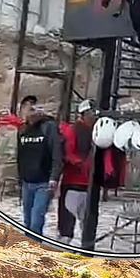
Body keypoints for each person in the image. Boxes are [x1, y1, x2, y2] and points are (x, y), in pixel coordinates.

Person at [16, 96, 62, 236]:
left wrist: (54, 177)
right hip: (27, 182)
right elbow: (20, 155)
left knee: (36, 220)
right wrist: (20, 176)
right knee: (27, 221)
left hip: (43, 182)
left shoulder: (48, 126)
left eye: (32, 108)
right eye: (26, 108)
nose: (29, 112)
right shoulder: (23, 129)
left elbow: (56, 153)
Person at [57, 100, 97, 241]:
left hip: (90, 183)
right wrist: (82, 164)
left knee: (87, 222)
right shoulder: (73, 130)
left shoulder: (97, 131)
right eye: (91, 113)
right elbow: (68, 153)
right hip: (73, 181)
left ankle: (86, 246)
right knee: (67, 222)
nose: (94, 116)